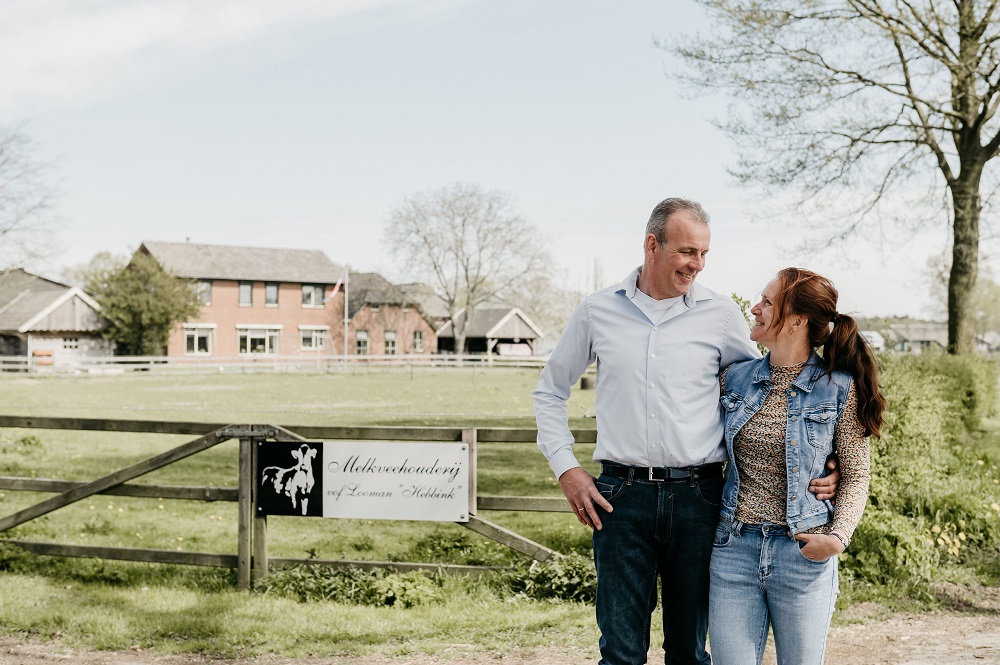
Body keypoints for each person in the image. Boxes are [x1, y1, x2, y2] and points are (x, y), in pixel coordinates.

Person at [532, 199, 839, 665]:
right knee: (620, 650)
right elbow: (550, 391)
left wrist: (823, 460)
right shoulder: (597, 312)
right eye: (687, 251)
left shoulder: (720, 315)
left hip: (701, 499)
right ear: (652, 245)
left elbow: (767, 394)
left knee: (689, 652)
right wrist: (567, 468)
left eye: (704, 254)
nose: (697, 264)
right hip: (620, 496)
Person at [708, 267, 886, 665]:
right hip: (733, 549)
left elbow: (856, 472)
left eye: (768, 302)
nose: (755, 308)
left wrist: (838, 537)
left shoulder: (838, 387)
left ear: (797, 319)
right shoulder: (733, 379)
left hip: (803, 552)